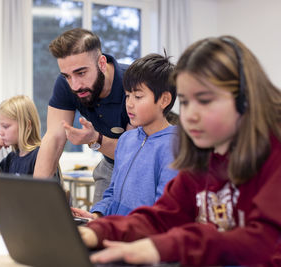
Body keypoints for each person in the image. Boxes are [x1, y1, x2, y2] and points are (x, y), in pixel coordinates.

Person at [79, 36, 281, 266]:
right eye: (185, 102)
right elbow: (163, 217)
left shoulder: (274, 155)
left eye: (204, 100)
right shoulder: (203, 156)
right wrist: (97, 231)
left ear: (244, 101)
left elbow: (264, 242)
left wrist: (165, 246)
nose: (190, 115)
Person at [71, 54, 178, 219]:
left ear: (164, 100)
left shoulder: (174, 147)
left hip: (141, 239)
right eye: (127, 95)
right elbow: (112, 192)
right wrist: (97, 215)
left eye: (138, 96)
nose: (129, 103)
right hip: (117, 233)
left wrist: (118, 229)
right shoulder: (126, 140)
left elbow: (163, 213)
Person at [33, 28, 130, 204]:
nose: (75, 85)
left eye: (81, 73)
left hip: (144, 168)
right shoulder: (65, 85)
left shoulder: (132, 83)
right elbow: (54, 138)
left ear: (101, 63)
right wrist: (37, 195)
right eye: (67, 76)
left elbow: (137, 153)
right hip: (109, 166)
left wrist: (95, 140)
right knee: (98, 226)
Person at [0, 95, 41, 176]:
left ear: (27, 125)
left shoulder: (39, 156)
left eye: (5, 126)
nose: (0, 133)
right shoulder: (11, 159)